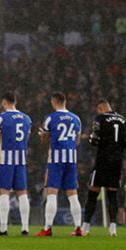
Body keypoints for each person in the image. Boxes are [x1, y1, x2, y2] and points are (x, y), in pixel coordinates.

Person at [35, 92, 84, 237]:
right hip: (71, 159)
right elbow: (77, 141)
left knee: (52, 194)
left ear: (53, 102)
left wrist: (42, 136)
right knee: (73, 194)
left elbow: (45, 141)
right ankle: (78, 228)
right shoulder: (76, 119)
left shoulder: (50, 118)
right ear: (65, 101)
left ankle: (47, 228)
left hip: (56, 160)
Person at [82, 99, 126, 237]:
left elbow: (94, 140)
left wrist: (90, 138)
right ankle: (113, 228)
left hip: (103, 160)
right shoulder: (123, 119)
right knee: (112, 195)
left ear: (101, 108)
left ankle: (86, 227)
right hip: (117, 161)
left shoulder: (100, 118)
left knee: (93, 193)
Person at [0, 91, 32, 237]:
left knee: (4, 193)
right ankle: (25, 228)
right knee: (22, 193)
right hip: (21, 160)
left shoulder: (1, 118)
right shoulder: (27, 119)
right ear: (15, 102)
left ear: (4, 102)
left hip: (5, 160)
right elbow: (26, 139)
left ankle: (3, 228)